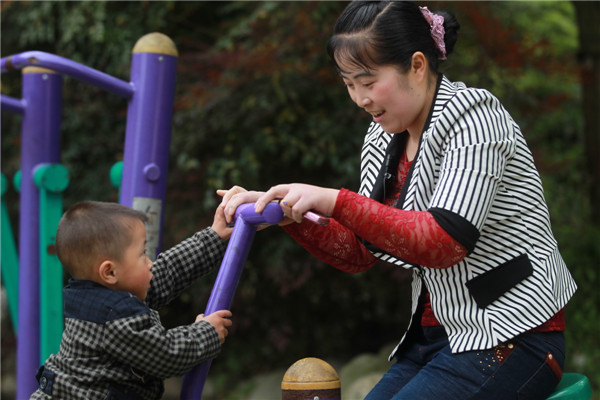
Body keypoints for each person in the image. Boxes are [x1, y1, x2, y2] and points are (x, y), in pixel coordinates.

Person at [220, 1, 577, 399]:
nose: (359, 99)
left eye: (369, 82)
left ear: (418, 65)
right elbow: (360, 249)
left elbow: (444, 241)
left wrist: (334, 200)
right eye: (349, 84)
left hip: (514, 337)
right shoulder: (382, 137)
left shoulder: (476, 117)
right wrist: (290, 214)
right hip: (436, 339)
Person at [30, 201, 233, 399]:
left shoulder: (111, 293)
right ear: (109, 271)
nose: (149, 262)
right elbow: (165, 354)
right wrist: (205, 332)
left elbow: (168, 272)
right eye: (142, 254)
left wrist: (213, 237)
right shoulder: (113, 316)